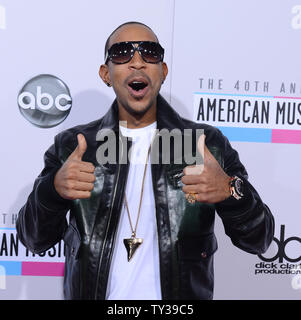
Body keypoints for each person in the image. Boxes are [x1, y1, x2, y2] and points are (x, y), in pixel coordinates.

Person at [16, 21, 274, 300]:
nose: (137, 62)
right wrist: (52, 191)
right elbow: (33, 239)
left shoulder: (206, 145)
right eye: (122, 53)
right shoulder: (74, 146)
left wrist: (230, 191)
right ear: (106, 73)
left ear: (162, 71)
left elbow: (259, 239)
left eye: (150, 53)